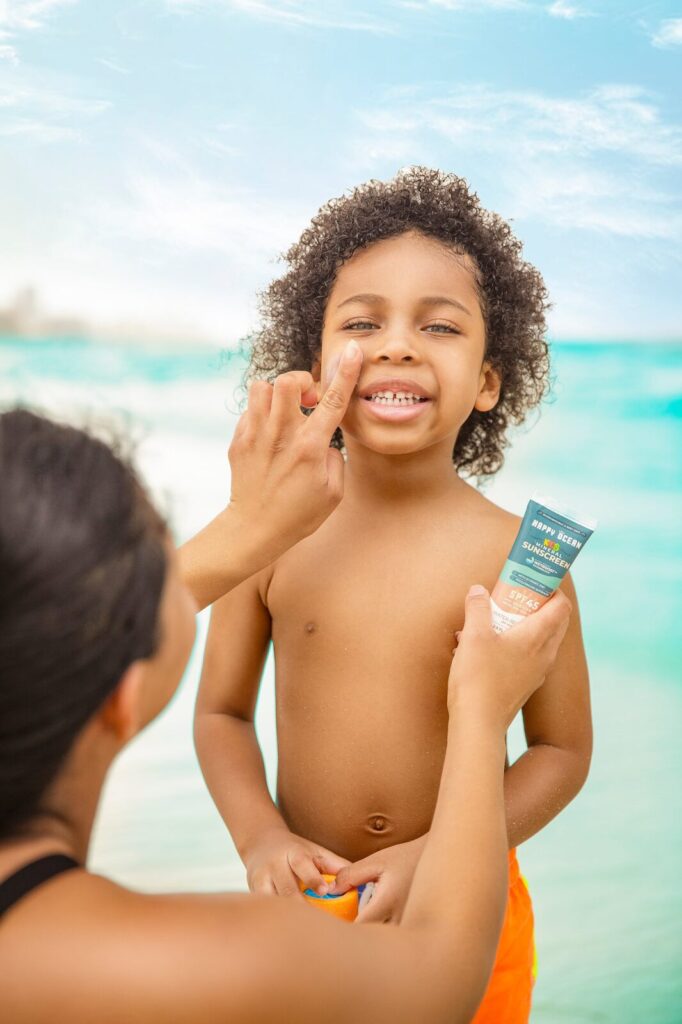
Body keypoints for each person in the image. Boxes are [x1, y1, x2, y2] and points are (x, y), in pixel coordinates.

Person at [0, 364, 571, 1024]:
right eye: (165, 572)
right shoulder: (185, 964)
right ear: (120, 695)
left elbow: (563, 750)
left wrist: (246, 524)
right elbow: (439, 981)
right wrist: (480, 711)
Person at [195, 167, 593, 1023]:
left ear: (489, 380)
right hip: (310, 909)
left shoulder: (520, 554)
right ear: (316, 365)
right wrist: (260, 836)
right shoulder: (271, 536)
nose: (398, 345)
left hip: (468, 903)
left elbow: (561, 754)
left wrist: (437, 855)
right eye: (363, 322)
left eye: (439, 326)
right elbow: (220, 714)